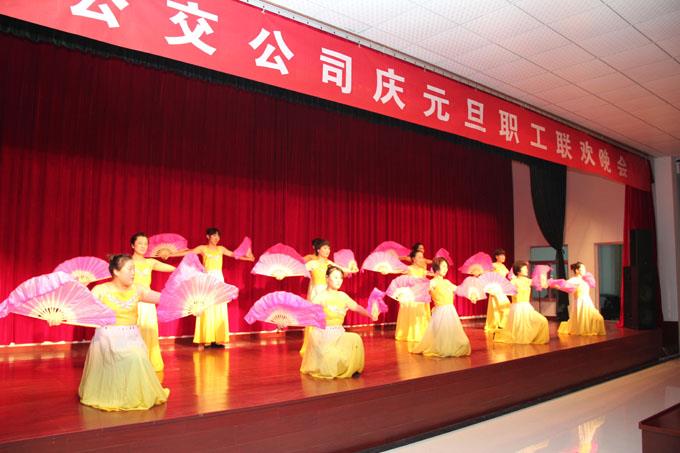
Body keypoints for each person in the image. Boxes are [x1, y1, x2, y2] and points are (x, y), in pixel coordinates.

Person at [79, 254, 169, 411]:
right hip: (107, 337)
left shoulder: (138, 289)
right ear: (116, 271)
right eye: (130, 269)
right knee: (117, 363)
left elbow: (165, 299)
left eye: (134, 269)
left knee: (136, 356)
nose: (134, 273)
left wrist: (188, 304)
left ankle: (133, 395)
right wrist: (60, 315)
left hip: (131, 336)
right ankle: (112, 396)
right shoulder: (101, 290)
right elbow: (81, 309)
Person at [162, 227, 254, 348]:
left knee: (219, 307)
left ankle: (217, 339)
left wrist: (248, 258)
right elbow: (188, 252)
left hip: (218, 280)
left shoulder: (221, 249)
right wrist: (170, 254)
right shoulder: (202, 248)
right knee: (206, 308)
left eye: (218, 236)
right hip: (207, 280)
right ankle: (207, 339)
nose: (216, 238)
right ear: (208, 236)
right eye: (214, 235)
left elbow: (234, 255)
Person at [300, 266, 375, 379]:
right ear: (327, 278)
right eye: (335, 277)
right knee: (330, 361)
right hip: (323, 334)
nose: (339, 281)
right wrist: (287, 322)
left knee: (355, 338)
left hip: (339, 332)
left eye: (340, 278)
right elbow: (306, 313)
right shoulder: (320, 297)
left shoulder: (342, 296)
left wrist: (370, 315)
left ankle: (352, 368)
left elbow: (356, 307)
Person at [130, 232, 176, 372]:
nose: (143, 246)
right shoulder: (127, 262)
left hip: (148, 302)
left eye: (145, 244)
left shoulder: (150, 262)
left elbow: (172, 269)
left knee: (149, 331)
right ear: (132, 245)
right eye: (140, 243)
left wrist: (189, 270)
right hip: (132, 302)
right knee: (133, 332)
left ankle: (148, 362)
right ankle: (133, 363)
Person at [411, 257, 471, 357]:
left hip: (451, 311)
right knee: (442, 340)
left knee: (461, 342)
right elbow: (421, 291)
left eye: (446, 267)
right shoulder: (432, 282)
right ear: (436, 268)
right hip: (440, 312)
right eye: (443, 266)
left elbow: (459, 290)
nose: (446, 269)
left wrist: (471, 295)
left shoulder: (447, 282)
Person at [494, 261, 549, 344]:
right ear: (518, 271)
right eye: (524, 269)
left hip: (527, 307)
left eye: (526, 268)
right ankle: (523, 339)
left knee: (543, 321)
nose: (527, 270)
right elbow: (505, 290)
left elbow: (542, 284)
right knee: (521, 329)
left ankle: (535, 338)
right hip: (518, 308)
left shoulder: (528, 281)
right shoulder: (514, 281)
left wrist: (543, 277)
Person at [557, 262, 606, 336]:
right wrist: (553, 284)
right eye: (582, 268)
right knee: (585, 320)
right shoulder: (574, 280)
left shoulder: (584, 280)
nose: (584, 270)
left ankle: (587, 329)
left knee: (599, 318)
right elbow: (563, 285)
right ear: (577, 270)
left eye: (584, 268)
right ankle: (583, 330)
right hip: (580, 302)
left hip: (587, 302)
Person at [394, 249, 432, 342]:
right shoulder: (409, 268)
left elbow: (432, 274)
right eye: (419, 257)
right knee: (412, 315)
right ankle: (411, 334)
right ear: (414, 259)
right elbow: (396, 270)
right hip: (411, 297)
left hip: (420, 296)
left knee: (420, 315)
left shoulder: (423, 270)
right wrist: (387, 270)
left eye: (422, 257)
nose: (421, 259)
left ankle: (421, 334)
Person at [484, 248, 511, 332]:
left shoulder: (503, 266)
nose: (503, 257)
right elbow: (486, 274)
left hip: (501, 288)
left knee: (500, 306)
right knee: (498, 306)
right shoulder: (493, 265)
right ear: (496, 257)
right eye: (501, 255)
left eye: (504, 255)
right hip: (495, 288)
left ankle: (501, 324)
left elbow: (508, 276)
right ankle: (497, 324)